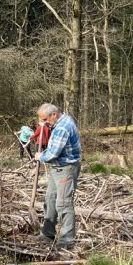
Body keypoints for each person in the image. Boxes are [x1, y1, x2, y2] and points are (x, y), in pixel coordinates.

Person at [35, 103, 82, 248]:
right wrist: (44, 125)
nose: (43, 122)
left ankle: (66, 240)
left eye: (44, 119)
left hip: (66, 168)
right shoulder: (58, 122)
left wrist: (39, 156)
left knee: (63, 203)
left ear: (54, 114)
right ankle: (48, 233)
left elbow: (53, 153)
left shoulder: (62, 127)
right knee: (50, 199)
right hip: (57, 168)